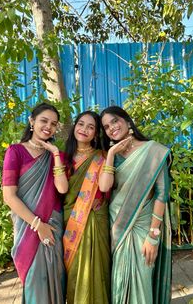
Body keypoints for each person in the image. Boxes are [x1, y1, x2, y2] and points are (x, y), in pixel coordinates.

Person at [99, 106, 172, 304]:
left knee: (142, 275)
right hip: (118, 224)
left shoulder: (154, 151)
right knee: (120, 279)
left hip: (143, 226)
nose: (111, 128)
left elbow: (162, 194)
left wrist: (153, 235)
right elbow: (105, 186)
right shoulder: (110, 156)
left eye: (115, 121)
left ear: (127, 121)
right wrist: (112, 153)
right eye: (106, 126)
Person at [2, 102, 68, 304]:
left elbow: (62, 189)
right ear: (32, 121)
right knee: (35, 281)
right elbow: (9, 196)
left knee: (56, 280)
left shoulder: (57, 156)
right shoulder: (15, 152)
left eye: (54, 123)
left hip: (54, 226)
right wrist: (39, 225)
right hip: (29, 228)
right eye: (44, 121)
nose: (48, 126)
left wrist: (56, 154)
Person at [63, 111, 111, 304]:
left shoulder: (102, 156)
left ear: (96, 133)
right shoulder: (63, 157)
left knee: (98, 269)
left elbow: (106, 188)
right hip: (70, 221)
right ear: (75, 126)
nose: (84, 129)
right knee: (75, 273)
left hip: (95, 219)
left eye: (91, 127)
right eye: (81, 124)